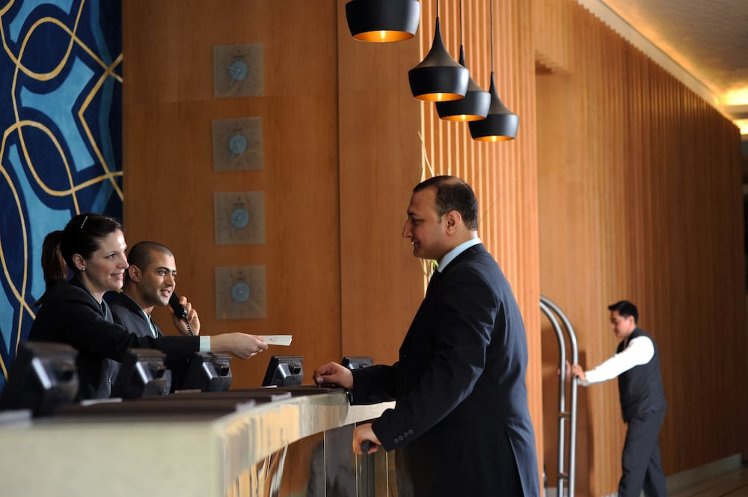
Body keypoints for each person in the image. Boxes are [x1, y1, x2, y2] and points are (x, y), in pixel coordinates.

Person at [313, 176, 539, 497]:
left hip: (481, 469)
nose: (406, 231)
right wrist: (356, 380)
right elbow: (428, 368)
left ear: (451, 222)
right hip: (473, 465)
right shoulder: (466, 272)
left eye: (415, 220)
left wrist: (387, 429)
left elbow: (455, 374)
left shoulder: (468, 279)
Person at [29, 213, 268, 400]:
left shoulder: (101, 307)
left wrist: (194, 339)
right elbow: (131, 348)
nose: (124, 263)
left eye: (123, 252)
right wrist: (217, 342)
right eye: (111, 256)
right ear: (80, 261)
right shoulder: (69, 301)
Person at [568, 300, 667, 497]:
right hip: (643, 411)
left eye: (616, 321)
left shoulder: (641, 343)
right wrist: (577, 377)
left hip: (647, 411)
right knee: (650, 465)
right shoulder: (624, 345)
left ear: (630, 320)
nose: (613, 326)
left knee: (632, 459)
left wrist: (586, 376)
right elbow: (612, 367)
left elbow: (616, 365)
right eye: (611, 322)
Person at [105, 241, 198, 339]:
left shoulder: (148, 323)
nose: (171, 283)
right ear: (135, 274)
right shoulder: (114, 317)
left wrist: (190, 335)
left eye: (173, 275)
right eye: (162, 272)